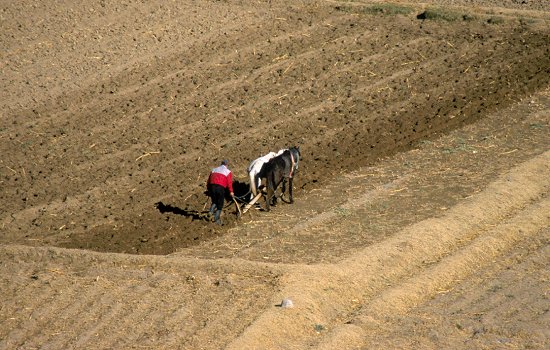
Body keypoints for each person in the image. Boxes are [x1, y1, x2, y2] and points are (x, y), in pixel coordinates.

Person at [206, 159, 234, 225]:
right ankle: (216, 220)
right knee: (220, 204)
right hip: (220, 188)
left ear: (221, 164)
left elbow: (208, 181)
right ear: (226, 165)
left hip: (212, 187)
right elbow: (229, 183)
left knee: (214, 201)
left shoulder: (214, 170)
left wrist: (209, 189)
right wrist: (231, 191)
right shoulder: (228, 172)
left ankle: (210, 211)